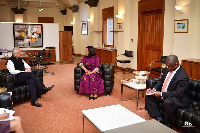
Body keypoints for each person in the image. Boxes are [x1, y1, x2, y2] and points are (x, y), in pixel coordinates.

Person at [145, 55, 190, 128]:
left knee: (168, 102)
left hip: (179, 98)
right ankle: (158, 118)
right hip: (166, 93)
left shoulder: (183, 76)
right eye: (166, 65)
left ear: (176, 64)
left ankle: (168, 124)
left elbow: (178, 93)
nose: (166, 67)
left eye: (169, 66)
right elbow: (161, 80)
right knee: (149, 96)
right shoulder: (167, 69)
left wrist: (162, 94)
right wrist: (154, 89)